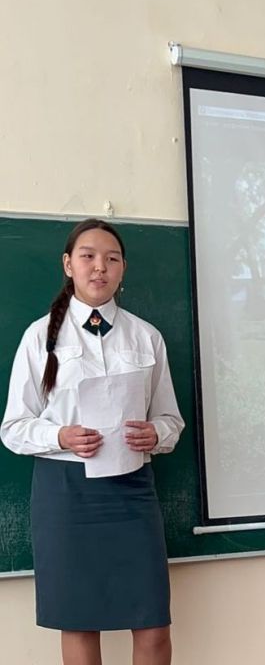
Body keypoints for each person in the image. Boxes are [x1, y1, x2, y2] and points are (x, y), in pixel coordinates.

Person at [1, 218, 184, 665]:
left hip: (131, 491)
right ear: (68, 264)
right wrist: (59, 435)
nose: (99, 267)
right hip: (66, 494)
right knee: (79, 621)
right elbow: (13, 427)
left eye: (111, 258)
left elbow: (171, 420)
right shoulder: (38, 336)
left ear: (123, 269)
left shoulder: (146, 336)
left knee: (153, 622)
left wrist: (156, 433)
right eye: (88, 256)